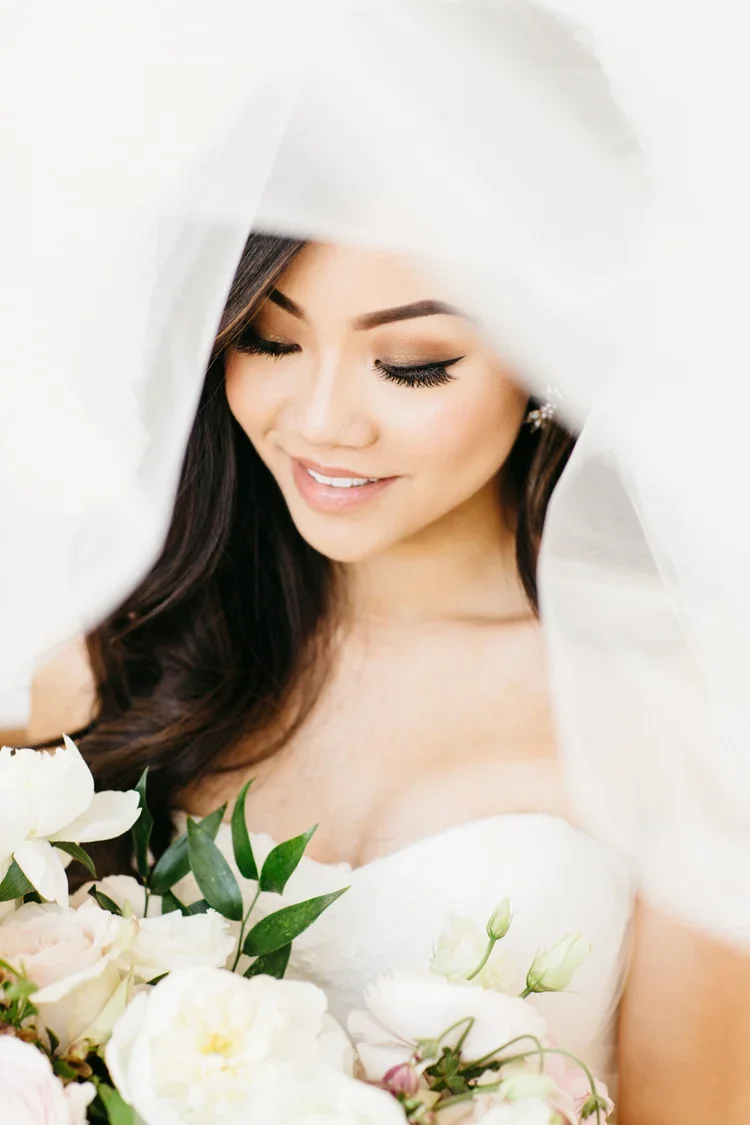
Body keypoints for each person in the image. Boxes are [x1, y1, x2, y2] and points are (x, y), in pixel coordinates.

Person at [27, 233, 750, 1124]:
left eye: (412, 365)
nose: (323, 419)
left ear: (550, 353)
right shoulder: (129, 642)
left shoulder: (675, 711)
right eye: (268, 339)